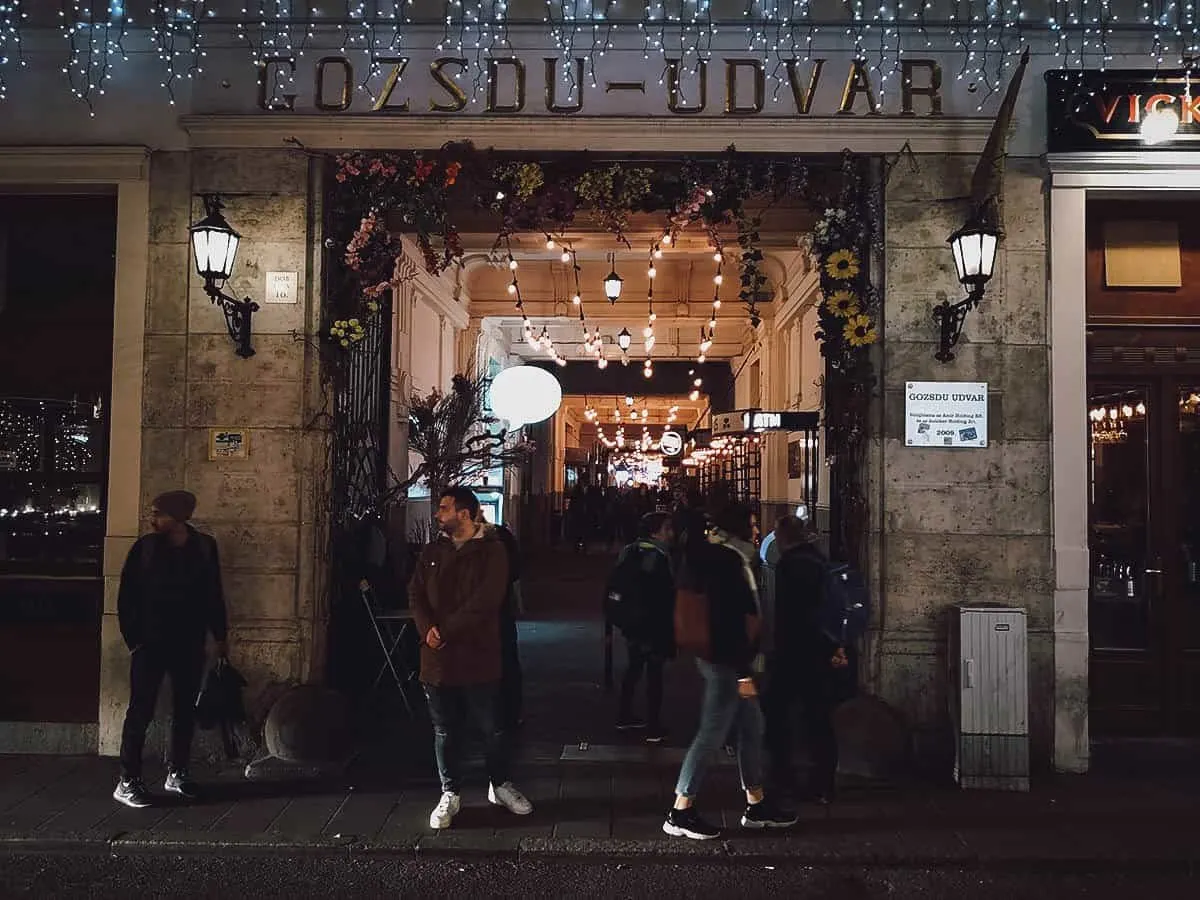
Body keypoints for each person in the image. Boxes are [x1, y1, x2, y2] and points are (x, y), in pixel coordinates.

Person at [663, 503, 796, 840]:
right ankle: (681, 809)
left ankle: (757, 803)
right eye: (752, 524)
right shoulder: (726, 562)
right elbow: (729, 619)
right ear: (737, 529)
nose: (756, 530)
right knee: (712, 733)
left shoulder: (711, 557)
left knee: (752, 727)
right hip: (730, 664)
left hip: (729, 661)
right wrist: (742, 669)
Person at [410, 487, 533, 830]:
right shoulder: (433, 550)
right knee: (445, 730)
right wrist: (427, 629)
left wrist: (444, 630)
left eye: (444, 508)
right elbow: (415, 591)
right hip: (437, 659)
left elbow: (487, 599)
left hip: (479, 654)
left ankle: (500, 784)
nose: (438, 514)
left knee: (492, 727)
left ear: (464, 514)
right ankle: (450, 792)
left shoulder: (492, 551)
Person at [113, 490, 228, 809]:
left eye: (159, 514)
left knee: (184, 711)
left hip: (189, 643)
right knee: (140, 711)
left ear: (178, 517)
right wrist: (134, 641)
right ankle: (127, 780)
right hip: (150, 645)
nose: (153, 520)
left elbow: (213, 594)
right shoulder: (145, 549)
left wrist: (219, 636)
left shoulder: (205, 548)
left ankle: (177, 771)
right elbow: (127, 597)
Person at [764, 515, 852, 804]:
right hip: (819, 649)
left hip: (795, 651)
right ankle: (822, 782)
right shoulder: (818, 560)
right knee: (818, 717)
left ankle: (782, 774)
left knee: (777, 714)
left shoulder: (790, 565)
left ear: (782, 537)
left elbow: (792, 614)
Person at [609, 511, 676, 743]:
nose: (671, 534)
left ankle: (624, 715)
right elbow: (664, 593)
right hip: (653, 622)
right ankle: (653, 726)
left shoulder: (630, 550)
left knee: (634, 667)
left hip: (631, 621)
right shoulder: (659, 556)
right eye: (667, 529)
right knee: (654, 674)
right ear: (656, 531)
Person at [476, 507, 524, 733]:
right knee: (506, 663)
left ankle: (493, 714)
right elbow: (515, 572)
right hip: (500, 611)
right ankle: (509, 713)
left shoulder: (481, 543)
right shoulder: (502, 536)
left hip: (486, 613)